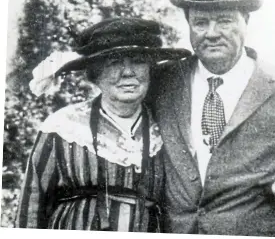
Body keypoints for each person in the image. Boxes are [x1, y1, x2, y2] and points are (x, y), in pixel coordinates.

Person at [151, 0, 275, 237]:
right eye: (200, 22)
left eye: (224, 21)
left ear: (246, 20)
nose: (211, 32)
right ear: (188, 25)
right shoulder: (163, 81)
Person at [15, 18, 191, 231]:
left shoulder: (164, 130)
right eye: (115, 62)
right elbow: (31, 205)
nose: (128, 72)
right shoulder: (63, 127)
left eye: (137, 61)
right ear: (95, 74)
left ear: (150, 69)